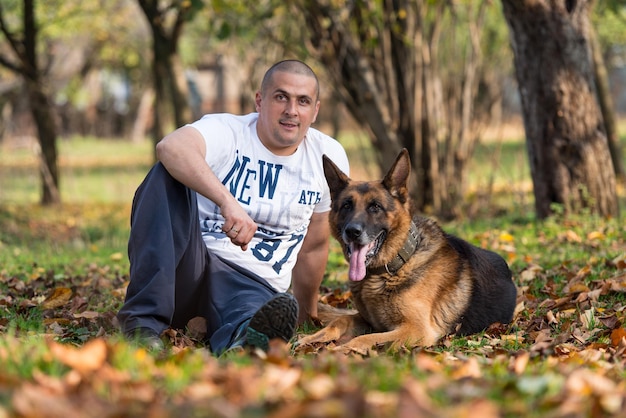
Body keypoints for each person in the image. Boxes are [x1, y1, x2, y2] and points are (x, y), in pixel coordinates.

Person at [117, 60, 350, 354]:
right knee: (165, 174)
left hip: (252, 284)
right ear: (259, 101)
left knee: (255, 314)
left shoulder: (327, 155)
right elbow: (171, 147)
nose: (292, 110)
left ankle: (245, 339)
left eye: (303, 101)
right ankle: (142, 326)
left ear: (315, 111)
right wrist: (227, 202)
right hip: (188, 269)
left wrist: (308, 314)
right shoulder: (227, 130)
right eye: (281, 97)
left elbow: (314, 246)